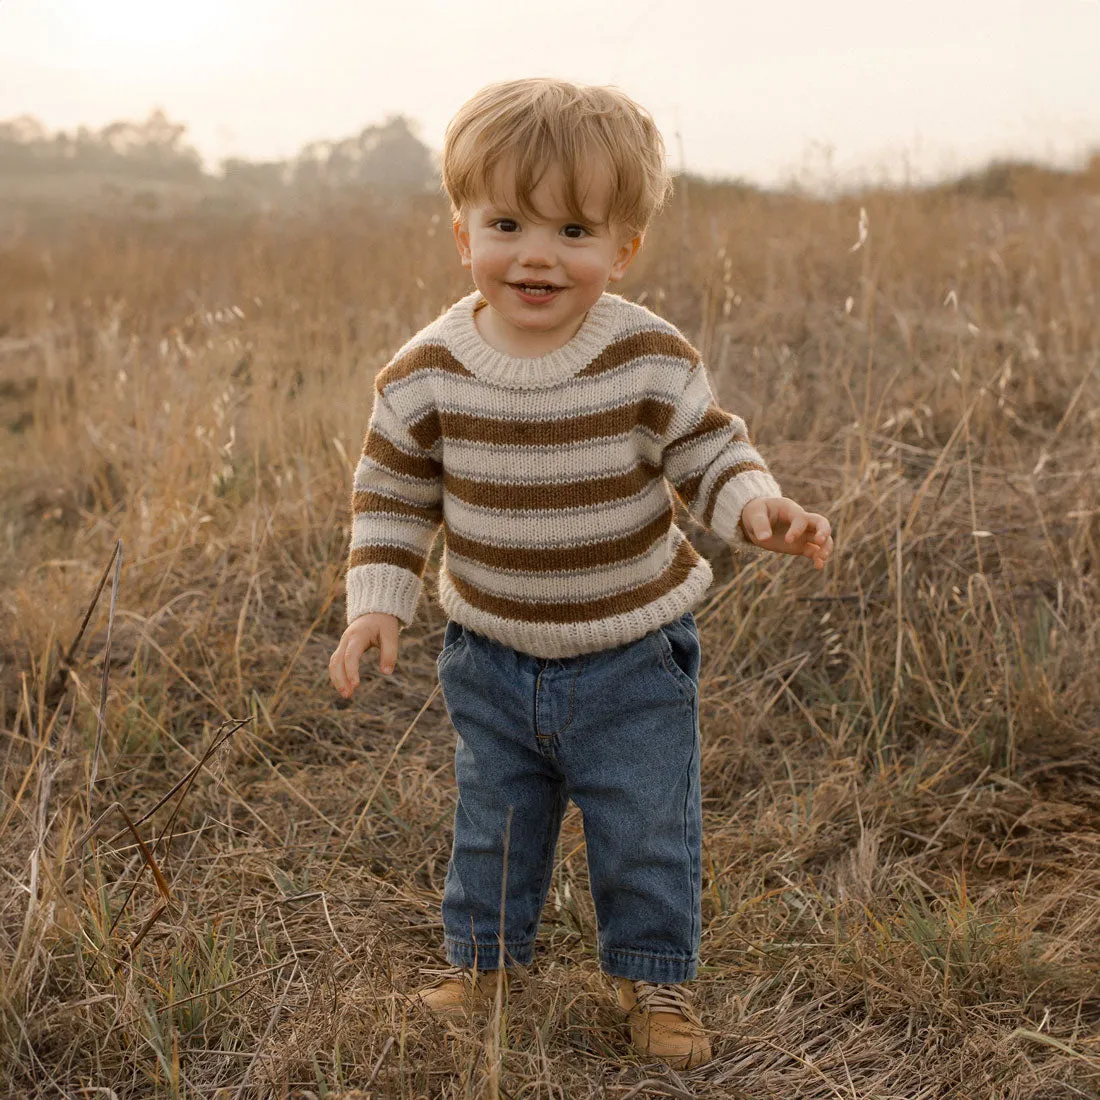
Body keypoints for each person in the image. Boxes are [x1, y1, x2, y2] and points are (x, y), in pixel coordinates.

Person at [328, 77, 832, 1071]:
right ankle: (485, 968)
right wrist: (375, 605)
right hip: (489, 654)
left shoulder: (643, 352)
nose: (536, 253)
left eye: (571, 228)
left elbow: (706, 447)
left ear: (621, 246)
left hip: (632, 653)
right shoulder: (427, 370)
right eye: (506, 221)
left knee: (643, 824)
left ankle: (652, 977)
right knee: (494, 823)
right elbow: (391, 496)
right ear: (461, 230)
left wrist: (752, 505)